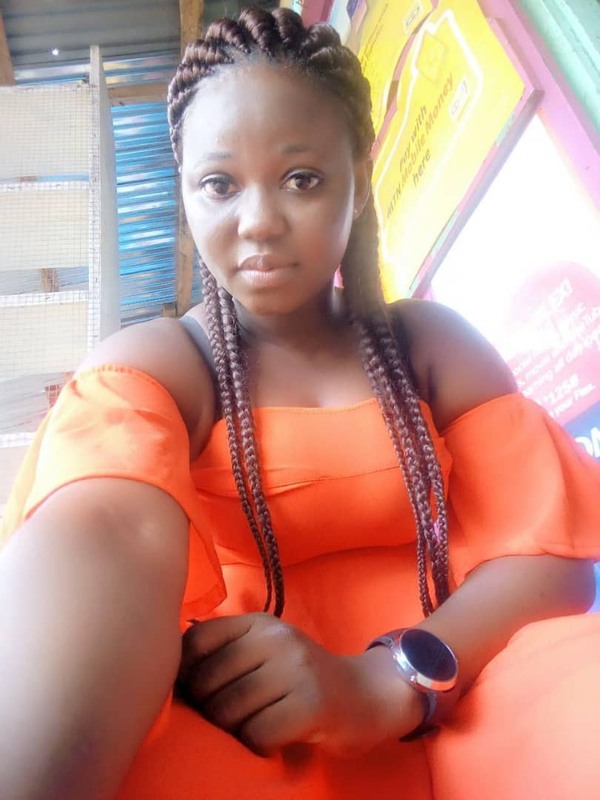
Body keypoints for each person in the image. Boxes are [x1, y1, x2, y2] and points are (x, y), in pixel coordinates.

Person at [1, 7, 599, 799]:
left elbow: (552, 559)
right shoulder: (167, 370)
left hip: (475, 692)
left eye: (302, 179)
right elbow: (102, 532)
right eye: (219, 184)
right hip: (257, 742)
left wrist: (387, 681)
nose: (258, 223)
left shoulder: (430, 346)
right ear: (185, 191)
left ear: (361, 177)